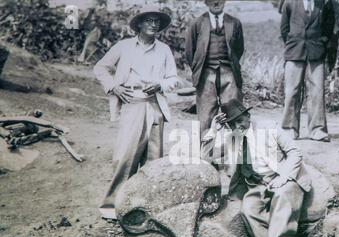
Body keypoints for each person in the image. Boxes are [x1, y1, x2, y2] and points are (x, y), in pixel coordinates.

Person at [94, 6, 178, 219]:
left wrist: (159, 84)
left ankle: (146, 208)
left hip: (155, 106)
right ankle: (111, 207)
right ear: (139, 24)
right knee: (126, 157)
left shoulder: (164, 50)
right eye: (148, 20)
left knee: (154, 160)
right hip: (132, 104)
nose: (153, 24)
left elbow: (172, 79)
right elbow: (100, 67)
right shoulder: (124, 47)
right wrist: (114, 86)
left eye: (156, 21)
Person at [201, 99, 312, 237]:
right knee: (248, 208)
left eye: (239, 121)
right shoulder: (233, 138)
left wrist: (284, 177)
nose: (237, 127)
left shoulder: (269, 127)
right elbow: (206, 158)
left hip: (285, 177)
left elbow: (295, 152)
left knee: (282, 196)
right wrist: (213, 131)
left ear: (248, 116)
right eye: (231, 124)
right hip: (259, 185)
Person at [280, 0, 339, 142]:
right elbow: (284, 29)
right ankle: (289, 129)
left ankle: (317, 129)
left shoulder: (325, 3)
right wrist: (293, 42)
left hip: (316, 51)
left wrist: (322, 43)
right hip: (294, 51)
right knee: (291, 91)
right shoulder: (289, 3)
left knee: (317, 91)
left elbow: (329, 28)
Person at [185, 0, 244, 138]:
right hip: (206, 75)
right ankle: (204, 154)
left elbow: (239, 49)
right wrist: (199, 70)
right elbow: (189, 51)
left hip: (229, 73)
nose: (216, 2)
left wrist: (229, 67)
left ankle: (234, 152)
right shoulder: (197, 23)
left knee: (234, 113)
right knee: (205, 117)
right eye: (211, 0)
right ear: (206, 2)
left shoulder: (234, 23)